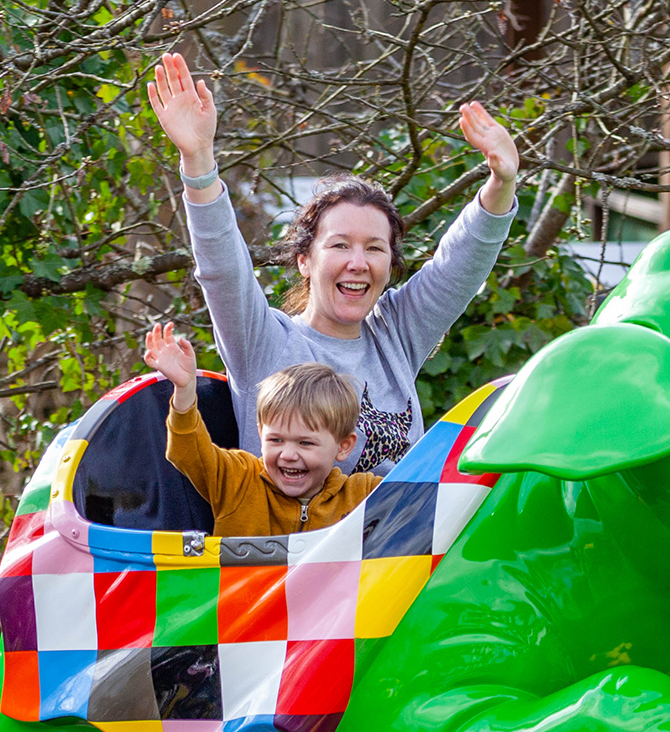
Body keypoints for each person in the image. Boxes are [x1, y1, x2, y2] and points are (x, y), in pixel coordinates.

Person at [145, 51, 520, 476]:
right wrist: (198, 161)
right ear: (305, 260)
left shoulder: (394, 334)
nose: (358, 263)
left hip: (400, 542)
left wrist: (501, 182)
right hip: (295, 542)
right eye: (340, 245)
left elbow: (458, 269)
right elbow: (222, 268)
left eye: (375, 249)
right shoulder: (265, 342)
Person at [143, 321, 380, 536]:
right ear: (260, 434)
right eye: (276, 440)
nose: (288, 455)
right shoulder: (238, 479)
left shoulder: (362, 494)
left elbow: (416, 496)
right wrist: (184, 389)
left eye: (305, 443)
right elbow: (187, 451)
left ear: (344, 446)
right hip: (242, 586)